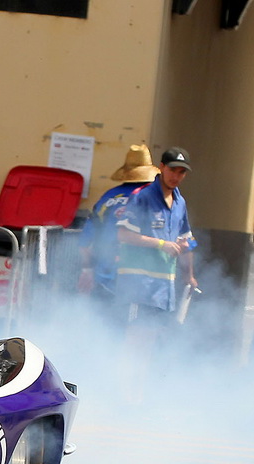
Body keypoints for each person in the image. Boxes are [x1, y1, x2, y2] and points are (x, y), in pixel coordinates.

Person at [115, 146, 199, 401]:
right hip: (139, 285)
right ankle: (124, 396)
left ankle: (138, 397)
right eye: (173, 170)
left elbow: (187, 241)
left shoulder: (180, 202)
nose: (177, 176)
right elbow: (123, 234)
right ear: (161, 168)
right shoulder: (142, 197)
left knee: (150, 341)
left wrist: (189, 275)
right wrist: (161, 244)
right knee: (135, 340)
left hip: (163, 288)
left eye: (182, 172)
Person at [77, 144, 159, 315]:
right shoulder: (155, 200)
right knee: (134, 327)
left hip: (104, 277)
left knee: (101, 325)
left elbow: (85, 241)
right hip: (139, 281)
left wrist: (87, 270)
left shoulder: (108, 197)